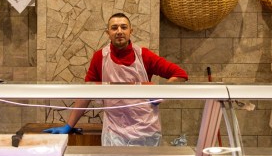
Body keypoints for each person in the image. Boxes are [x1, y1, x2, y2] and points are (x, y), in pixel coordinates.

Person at [44, 12, 188, 146]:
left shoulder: (144, 55)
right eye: (114, 28)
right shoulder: (100, 57)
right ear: (108, 33)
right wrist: (69, 125)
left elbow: (180, 74)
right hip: (114, 133)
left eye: (123, 27)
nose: (119, 31)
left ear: (131, 31)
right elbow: (86, 93)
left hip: (146, 131)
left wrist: (160, 94)